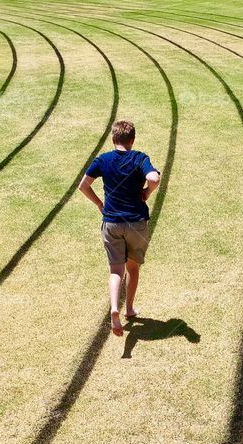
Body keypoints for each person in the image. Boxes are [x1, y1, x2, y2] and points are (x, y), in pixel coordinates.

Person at [78, 120, 161, 337]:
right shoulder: (139, 158)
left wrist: (99, 204)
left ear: (113, 139)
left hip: (112, 222)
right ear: (132, 140)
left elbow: (83, 186)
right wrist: (147, 191)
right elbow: (154, 177)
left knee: (116, 270)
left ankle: (115, 307)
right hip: (136, 223)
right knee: (133, 268)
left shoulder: (103, 160)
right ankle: (130, 308)